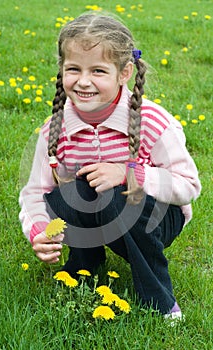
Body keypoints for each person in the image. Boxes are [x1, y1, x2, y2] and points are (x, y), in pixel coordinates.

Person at [19, 12, 201, 321]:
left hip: (155, 218)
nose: (84, 81)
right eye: (73, 68)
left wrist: (131, 173)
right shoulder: (56, 128)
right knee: (72, 190)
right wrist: (37, 228)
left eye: (98, 71)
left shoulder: (152, 123)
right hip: (97, 211)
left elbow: (188, 186)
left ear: (124, 72)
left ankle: (159, 299)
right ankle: (84, 267)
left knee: (117, 195)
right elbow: (36, 192)